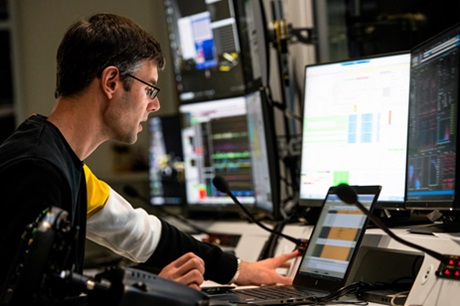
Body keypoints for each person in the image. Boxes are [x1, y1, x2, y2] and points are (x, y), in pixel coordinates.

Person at [0, 13, 297, 304]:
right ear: (112, 82)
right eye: (149, 88)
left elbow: (143, 234)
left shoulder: (64, 161)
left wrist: (239, 270)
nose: (154, 104)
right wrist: (146, 295)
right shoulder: (39, 170)